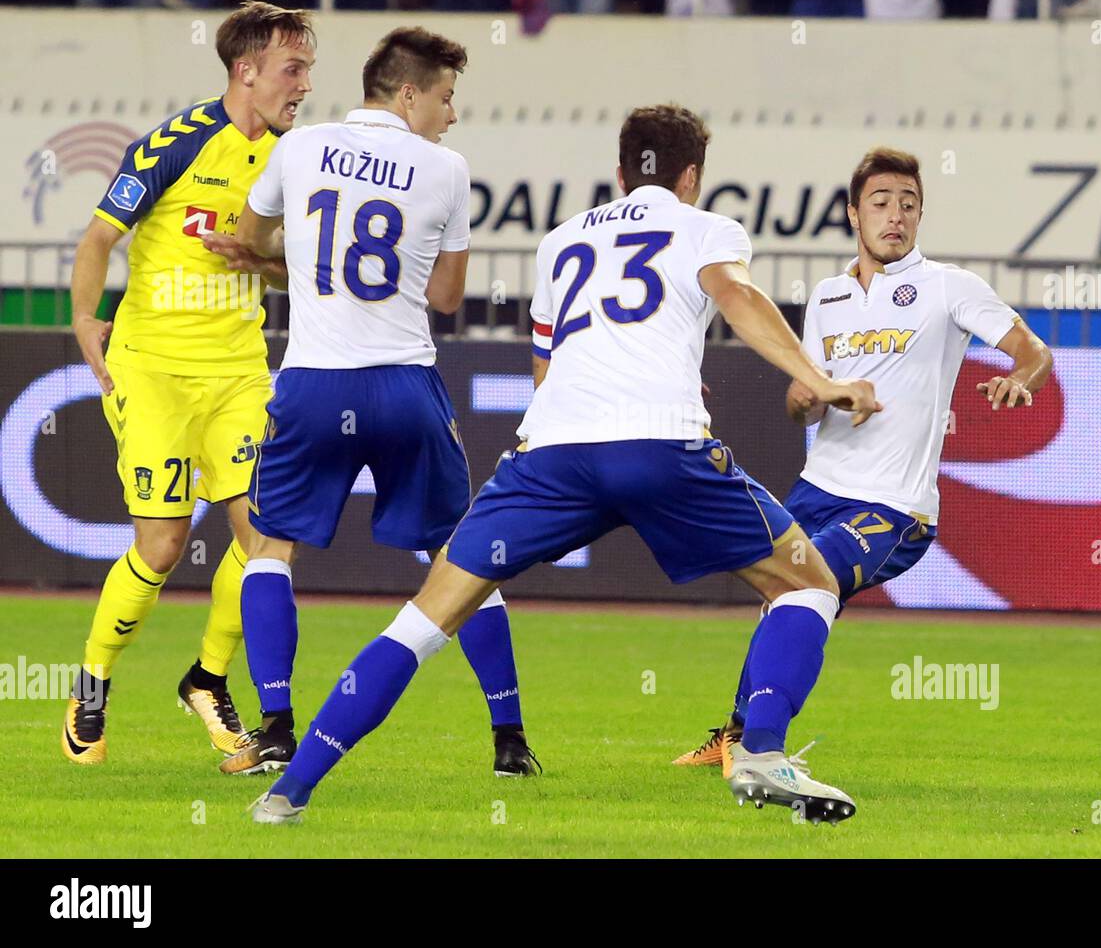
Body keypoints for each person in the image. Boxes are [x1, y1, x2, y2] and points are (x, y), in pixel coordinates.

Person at [248, 104, 880, 825]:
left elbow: (548, 368)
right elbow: (736, 297)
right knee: (807, 585)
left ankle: (289, 790)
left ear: (619, 171)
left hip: (549, 456)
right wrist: (820, 378)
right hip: (659, 448)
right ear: (693, 176)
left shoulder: (559, 242)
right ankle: (762, 752)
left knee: (424, 619)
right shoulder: (706, 228)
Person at [221, 27, 537, 779]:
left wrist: (285, 263)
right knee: (459, 556)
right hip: (402, 383)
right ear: (407, 94)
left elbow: (249, 234)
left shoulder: (298, 149)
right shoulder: (446, 169)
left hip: (312, 382)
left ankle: (273, 727)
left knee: (269, 551)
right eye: (445, 97)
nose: (451, 115)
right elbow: (449, 298)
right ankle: (510, 741)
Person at [674, 147, 1053, 771]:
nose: (895, 216)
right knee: (783, 601)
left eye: (908, 204)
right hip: (818, 487)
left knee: (803, 583)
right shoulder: (826, 297)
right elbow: (807, 402)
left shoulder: (948, 287)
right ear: (854, 214)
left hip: (893, 506)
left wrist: (1022, 379)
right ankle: (739, 736)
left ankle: (761, 751)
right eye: (881, 203)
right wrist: (805, 398)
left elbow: (1033, 351)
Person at [62, 1, 315, 765]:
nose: (303, 86)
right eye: (292, 69)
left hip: (240, 372)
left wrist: (262, 262)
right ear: (246, 71)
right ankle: (93, 684)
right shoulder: (175, 143)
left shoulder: (295, 159)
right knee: (165, 545)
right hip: (154, 369)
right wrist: (83, 320)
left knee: (269, 538)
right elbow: (101, 236)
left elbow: (297, 267)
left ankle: (208, 679)